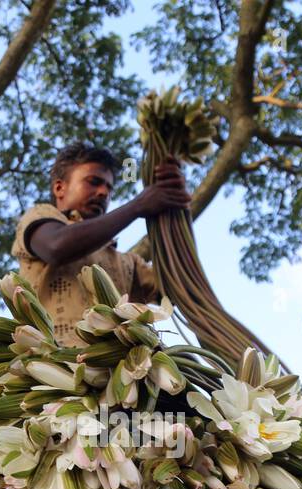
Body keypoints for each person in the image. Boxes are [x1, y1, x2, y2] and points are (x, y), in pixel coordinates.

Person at [11, 142, 192, 345]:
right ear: (60, 188)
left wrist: (177, 208)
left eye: (109, 187)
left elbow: (180, 290)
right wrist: (137, 206)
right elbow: (56, 246)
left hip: (118, 372)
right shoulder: (39, 217)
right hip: (52, 366)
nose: (103, 192)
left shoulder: (128, 263)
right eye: (93, 182)